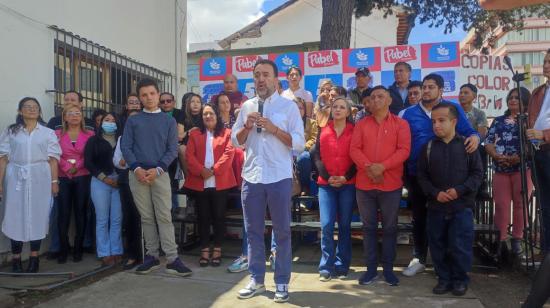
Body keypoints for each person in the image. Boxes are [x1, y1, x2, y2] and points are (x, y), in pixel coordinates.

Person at [232, 59, 304, 303]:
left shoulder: (289, 107)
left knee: (282, 231)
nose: (260, 79)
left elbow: (299, 143)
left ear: (275, 78)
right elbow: (235, 140)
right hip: (251, 177)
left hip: (278, 177)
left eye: (265, 74)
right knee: (252, 231)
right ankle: (256, 280)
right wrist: (246, 126)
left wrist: (273, 129)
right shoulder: (247, 107)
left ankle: (282, 281)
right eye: (256, 75)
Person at [399, 73, 480, 277]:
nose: (426, 90)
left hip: (448, 176)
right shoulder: (407, 113)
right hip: (417, 175)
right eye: (424, 87)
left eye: (431, 87)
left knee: (444, 222)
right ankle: (419, 257)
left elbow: (469, 131)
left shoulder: (452, 109)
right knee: (419, 218)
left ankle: (444, 265)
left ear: (441, 90)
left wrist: (476, 137)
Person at [121, 78, 192, 276]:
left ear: (158, 94)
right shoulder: (133, 120)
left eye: (152, 93)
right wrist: (136, 168)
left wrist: (158, 169)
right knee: (146, 217)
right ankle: (151, 256)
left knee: (164, 216)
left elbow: (172, 149)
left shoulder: (168, 121)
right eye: (144, 95)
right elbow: (125, 147)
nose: (149, 98)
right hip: (137, 175)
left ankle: (172, 258)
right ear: (139, 98)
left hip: (159, 174)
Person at [417, 102, 483, 296]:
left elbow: (477, 174)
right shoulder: (427, 148)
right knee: (437, 245)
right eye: (434, 121)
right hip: (436, 206)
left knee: (460, 245)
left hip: (461, 207)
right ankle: (443, 279)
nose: (436, 125)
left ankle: (460, 280)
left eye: (441, 120)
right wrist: (435, 192)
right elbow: (422, 176)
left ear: (454, 121)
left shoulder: (468, 146)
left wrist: (459, 190)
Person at [350, 86, 411, 286]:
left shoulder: (401, 124)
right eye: (373, 97)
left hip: (391, 184)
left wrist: (382, 167)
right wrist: (370, 168)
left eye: (380, 96)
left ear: (389, 100)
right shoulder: (361, 124)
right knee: (368, 228)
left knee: (390, 228)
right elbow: (354, 149)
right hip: (365, 184)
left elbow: (404, 150)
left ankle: (388, 269)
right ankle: (370, 270)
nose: (376, 100)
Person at [0, 97, 61, 273]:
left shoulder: (47, 133)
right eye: (27, 107)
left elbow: (53, 160)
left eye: (35, 107)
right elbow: (3, 159)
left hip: (40, 176)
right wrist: (1, 184)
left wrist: (54, 182)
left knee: (38, 215)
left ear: (39, 111)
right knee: (14, 215)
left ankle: (34, 257)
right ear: (20, 111)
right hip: (16, 176)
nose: (32, 109)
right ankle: (16, 258)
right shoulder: (11, 132)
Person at [185, 104, 236, 267]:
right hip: (201, 181)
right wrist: (201, 171)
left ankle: (218, 249)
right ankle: (205, 249)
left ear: (217, 115)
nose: (208, 116)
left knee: (219, 217)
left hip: (220, 181)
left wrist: (213, 170)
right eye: (205, 114)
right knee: (203, 217)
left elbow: (229, 153)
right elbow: (189, 155)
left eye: (211, 113)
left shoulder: (227, 133)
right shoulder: (194, 134)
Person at [311, 97, 356, 282]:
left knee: (344, 226)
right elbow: (316, 157)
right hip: (326, 185)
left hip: (348, 184)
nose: (337, 110)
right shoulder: (323, 130)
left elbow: (357, 158)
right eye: (335, 107)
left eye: (342, 107)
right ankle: (326, 266)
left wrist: (345, 177)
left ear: (348, 112)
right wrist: (328, 178)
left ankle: (342, 265)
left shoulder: (355, 131)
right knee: (327, 225)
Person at [485, 87, 533, 256]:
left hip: (522, 170)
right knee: (501, 205)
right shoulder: (498, 121)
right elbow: (488, 141)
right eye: (510, 97)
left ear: (526, 102)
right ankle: (501, 240)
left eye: (517, 97)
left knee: (521, 205)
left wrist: (519, 158)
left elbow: (533, 144)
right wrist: (496, 155)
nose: (512, 100)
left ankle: (517, 240)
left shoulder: (530, 121)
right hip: (500, 169)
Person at [46, 90, 94, 259]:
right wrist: (67, 167)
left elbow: (89, 155)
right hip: (62, 176)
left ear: (82, 116)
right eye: (70, 113)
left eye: (77, 113)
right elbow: (53, 154)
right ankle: (63, 248)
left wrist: (78, 166)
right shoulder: (56, 134)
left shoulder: (90, 134)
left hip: (83, 176)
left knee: (81, 212)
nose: (74, 116)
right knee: (63, 213)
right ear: (64, 117)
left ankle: (79, 248)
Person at [85, 113, 123, 266]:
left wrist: (119, 179)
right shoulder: (93, 140)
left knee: (116, 219)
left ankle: (116, 250)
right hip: (100, 182)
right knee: (102, 219)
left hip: (119, 183)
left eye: (113, 120)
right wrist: (104, 178)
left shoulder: (122, 140)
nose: (110, 122)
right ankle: (104, 252)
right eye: (107, 120)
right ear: (101, 123)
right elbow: (88, 163)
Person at [527, 49, 550, 255]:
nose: (546, 65)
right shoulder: (538, 92)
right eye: (544, 61)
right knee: (544, 205)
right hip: (538, 152)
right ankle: (546, 253)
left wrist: (544, 134)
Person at [113, 109, 142, 270]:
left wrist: (131, 160)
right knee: (130, 218)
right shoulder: (122, 138)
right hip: (126, 181)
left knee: (145, 218)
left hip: (145, 180)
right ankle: (132, 254)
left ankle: (148, 253)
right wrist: (127, 161)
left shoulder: (150, 137)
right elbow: (117, 161)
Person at [294, 97, 318, 196]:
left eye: (300, 108)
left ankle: (305, 186)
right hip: (287, 151)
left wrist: (303, 147)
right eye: (295, 108)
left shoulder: (311, 122)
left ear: (304, 109)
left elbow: (314, 138)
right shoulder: (285, 123)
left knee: (304, 157)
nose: (298, 110)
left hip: (304, 151)